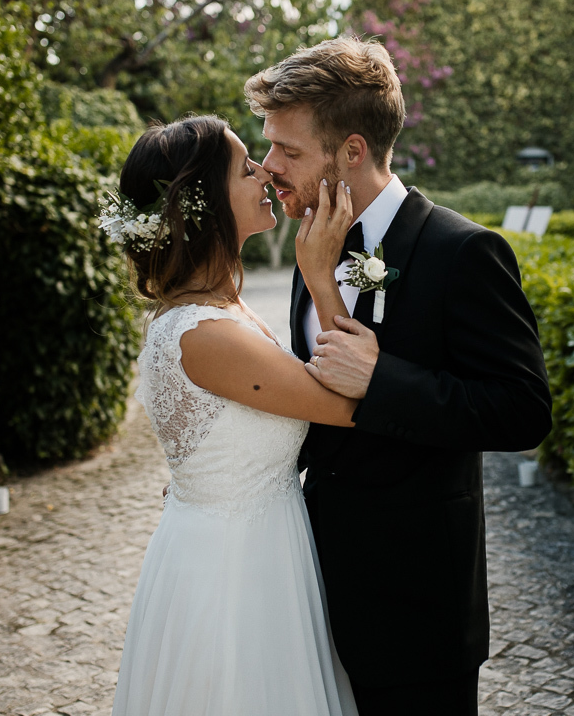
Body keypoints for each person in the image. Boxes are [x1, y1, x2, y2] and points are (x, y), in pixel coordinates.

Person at [244, 35, 553, 716]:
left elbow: (524, 408)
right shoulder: (313, 244)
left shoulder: (462, 252)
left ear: (351, 151)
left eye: (288, 151)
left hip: (419, 607)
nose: (269, 167)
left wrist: (385, 380)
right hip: (311, 589)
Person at [106, 114, 362, 716]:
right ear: (204, 204)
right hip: (236, 573)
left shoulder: (218, 307)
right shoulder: (208, 332)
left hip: (249, 549)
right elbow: (347, 405)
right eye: (246, 167)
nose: (265, 174)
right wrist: (321, 277)